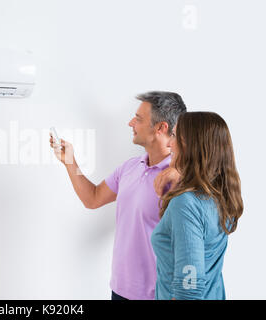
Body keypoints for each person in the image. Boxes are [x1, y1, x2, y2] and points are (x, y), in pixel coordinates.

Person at [49, 92, 186, 300]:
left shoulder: (179, 178)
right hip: (120, 290)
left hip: (157, 295)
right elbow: (92, 198)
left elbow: (188, 248)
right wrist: (70, 162)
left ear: (161, 128)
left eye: (139, 119)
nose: (131, 123)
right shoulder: (130, 167)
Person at [151, 112, 243, 300]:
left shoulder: (185, 204)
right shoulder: (219, 197)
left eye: (175, 136)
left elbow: (189, 287)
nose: (169, 144)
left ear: (190, 145)